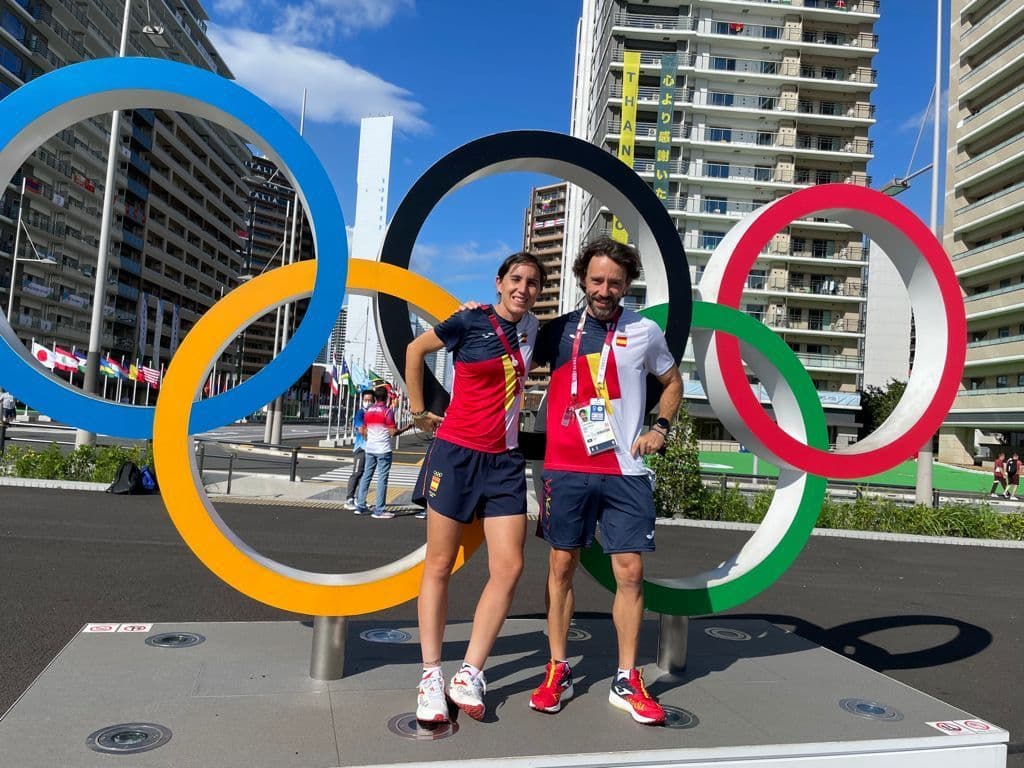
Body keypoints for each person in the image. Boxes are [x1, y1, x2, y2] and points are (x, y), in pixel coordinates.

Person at [528, 236, 682, 725]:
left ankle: (627, 677)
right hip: (566, 466)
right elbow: (504, 350)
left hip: (625, 470)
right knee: (561, 567)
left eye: (614, 282)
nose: (604, 290)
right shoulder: (556, 332)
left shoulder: (645, 331)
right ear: (582, 279)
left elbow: (672, 382)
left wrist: (661, 428)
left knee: (631, 573)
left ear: (627, 284)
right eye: (596, 280)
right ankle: (558, 667)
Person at [405, 251, 544, 723]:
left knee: (510, 566)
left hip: (504, 462)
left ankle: (469, 674)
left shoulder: (534, 329)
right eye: (516, 279)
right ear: (499, 282)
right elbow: (415, 350)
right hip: (456, 454)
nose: (523, 288)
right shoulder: (469, 320)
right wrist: (418, 410)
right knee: (439, 564)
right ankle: (430, 676)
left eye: (532, 282)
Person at [354, 385, 400, 519]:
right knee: (382, 479)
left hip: (370, 448)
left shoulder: (368, 411)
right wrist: (406, 428)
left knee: (366, 476)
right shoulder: (387, 411)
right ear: (386, 398)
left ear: (375, 398)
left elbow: (365, 430)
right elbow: (393, 432)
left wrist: (370, 440)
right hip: (383, 449)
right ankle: (379, 509)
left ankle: (360, 505)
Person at [345, 390, 376, 512]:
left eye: (370, 400)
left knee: (365, 476)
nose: (368, 402)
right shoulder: (360, 413)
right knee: (357, 473)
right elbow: (361, 430)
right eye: (365, 400)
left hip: (371, 449)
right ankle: (349, 499)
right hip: (361, 448)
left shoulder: (374, 413)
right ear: (362, 400)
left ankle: (360, 499)